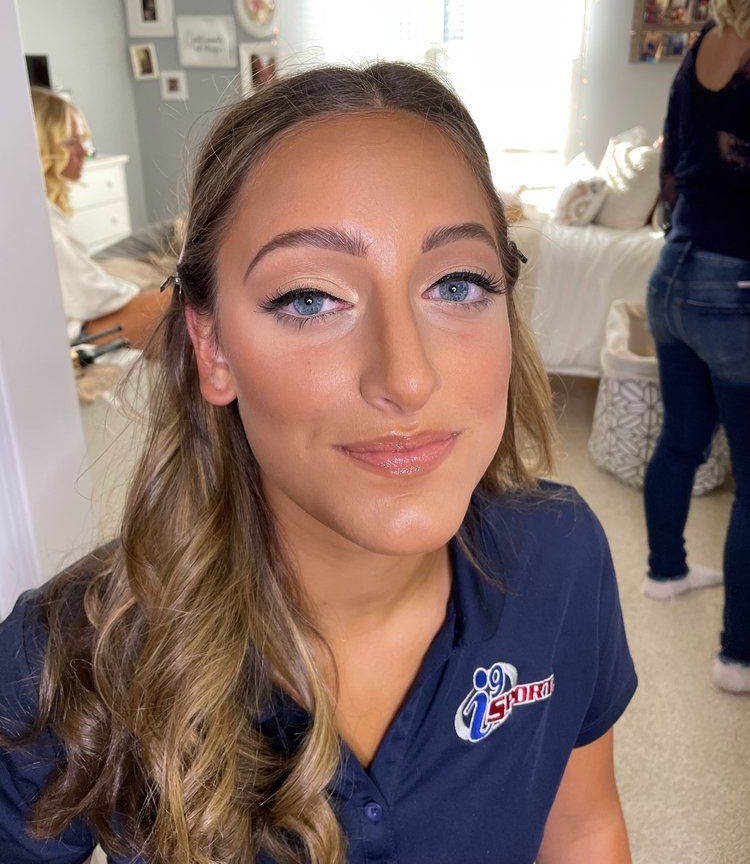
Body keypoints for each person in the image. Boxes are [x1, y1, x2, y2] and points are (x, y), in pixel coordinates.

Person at [2, 63, 637, 863]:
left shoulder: (561, 556)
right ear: (213, 347)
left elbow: (581, 828)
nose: (407, 378)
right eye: (309, 298)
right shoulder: (69, 652)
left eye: (458, 284)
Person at [642, 0, 750, 694]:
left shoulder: (709, 40)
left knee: (681, 439)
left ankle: (666, 571)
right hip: (735, 285)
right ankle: (738, 656)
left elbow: (672, 156)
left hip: (673, 273)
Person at [30, 87, 172, 348]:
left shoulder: (37, 208)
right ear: (42, 147)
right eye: (71, 142)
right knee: (184, 304)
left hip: (85, 316)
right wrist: (136, 293)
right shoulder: (40, 224)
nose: (84, 151)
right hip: (81, 332)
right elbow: (94, 297)